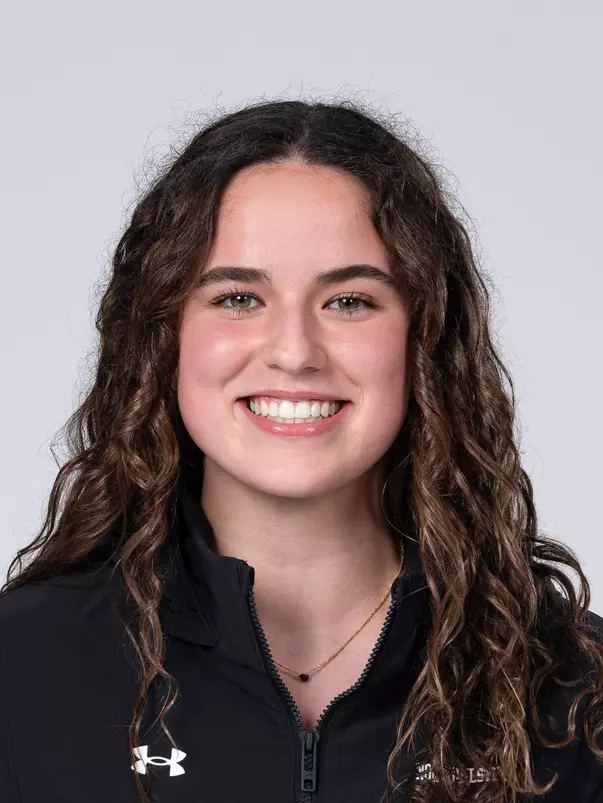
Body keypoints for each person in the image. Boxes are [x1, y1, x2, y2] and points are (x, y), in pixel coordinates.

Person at [1, 98, 602, 803]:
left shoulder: (572, 684)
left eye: (348, 300)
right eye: (236, 298)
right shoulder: (23, 668)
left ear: (425, 340)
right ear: (163, 337)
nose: (293, 353)